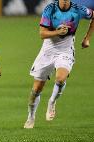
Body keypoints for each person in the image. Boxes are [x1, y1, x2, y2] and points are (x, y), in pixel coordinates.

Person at [24, 0, 94, 129]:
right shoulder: (50, 9)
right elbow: (42, 33)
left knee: (61, 78)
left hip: (66, 50)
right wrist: (57, 32)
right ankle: (31, 116)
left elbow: (93, 16)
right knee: (36, 90)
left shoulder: (78, 9)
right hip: (48, 51)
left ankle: (52, 101)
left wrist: (87, 38)